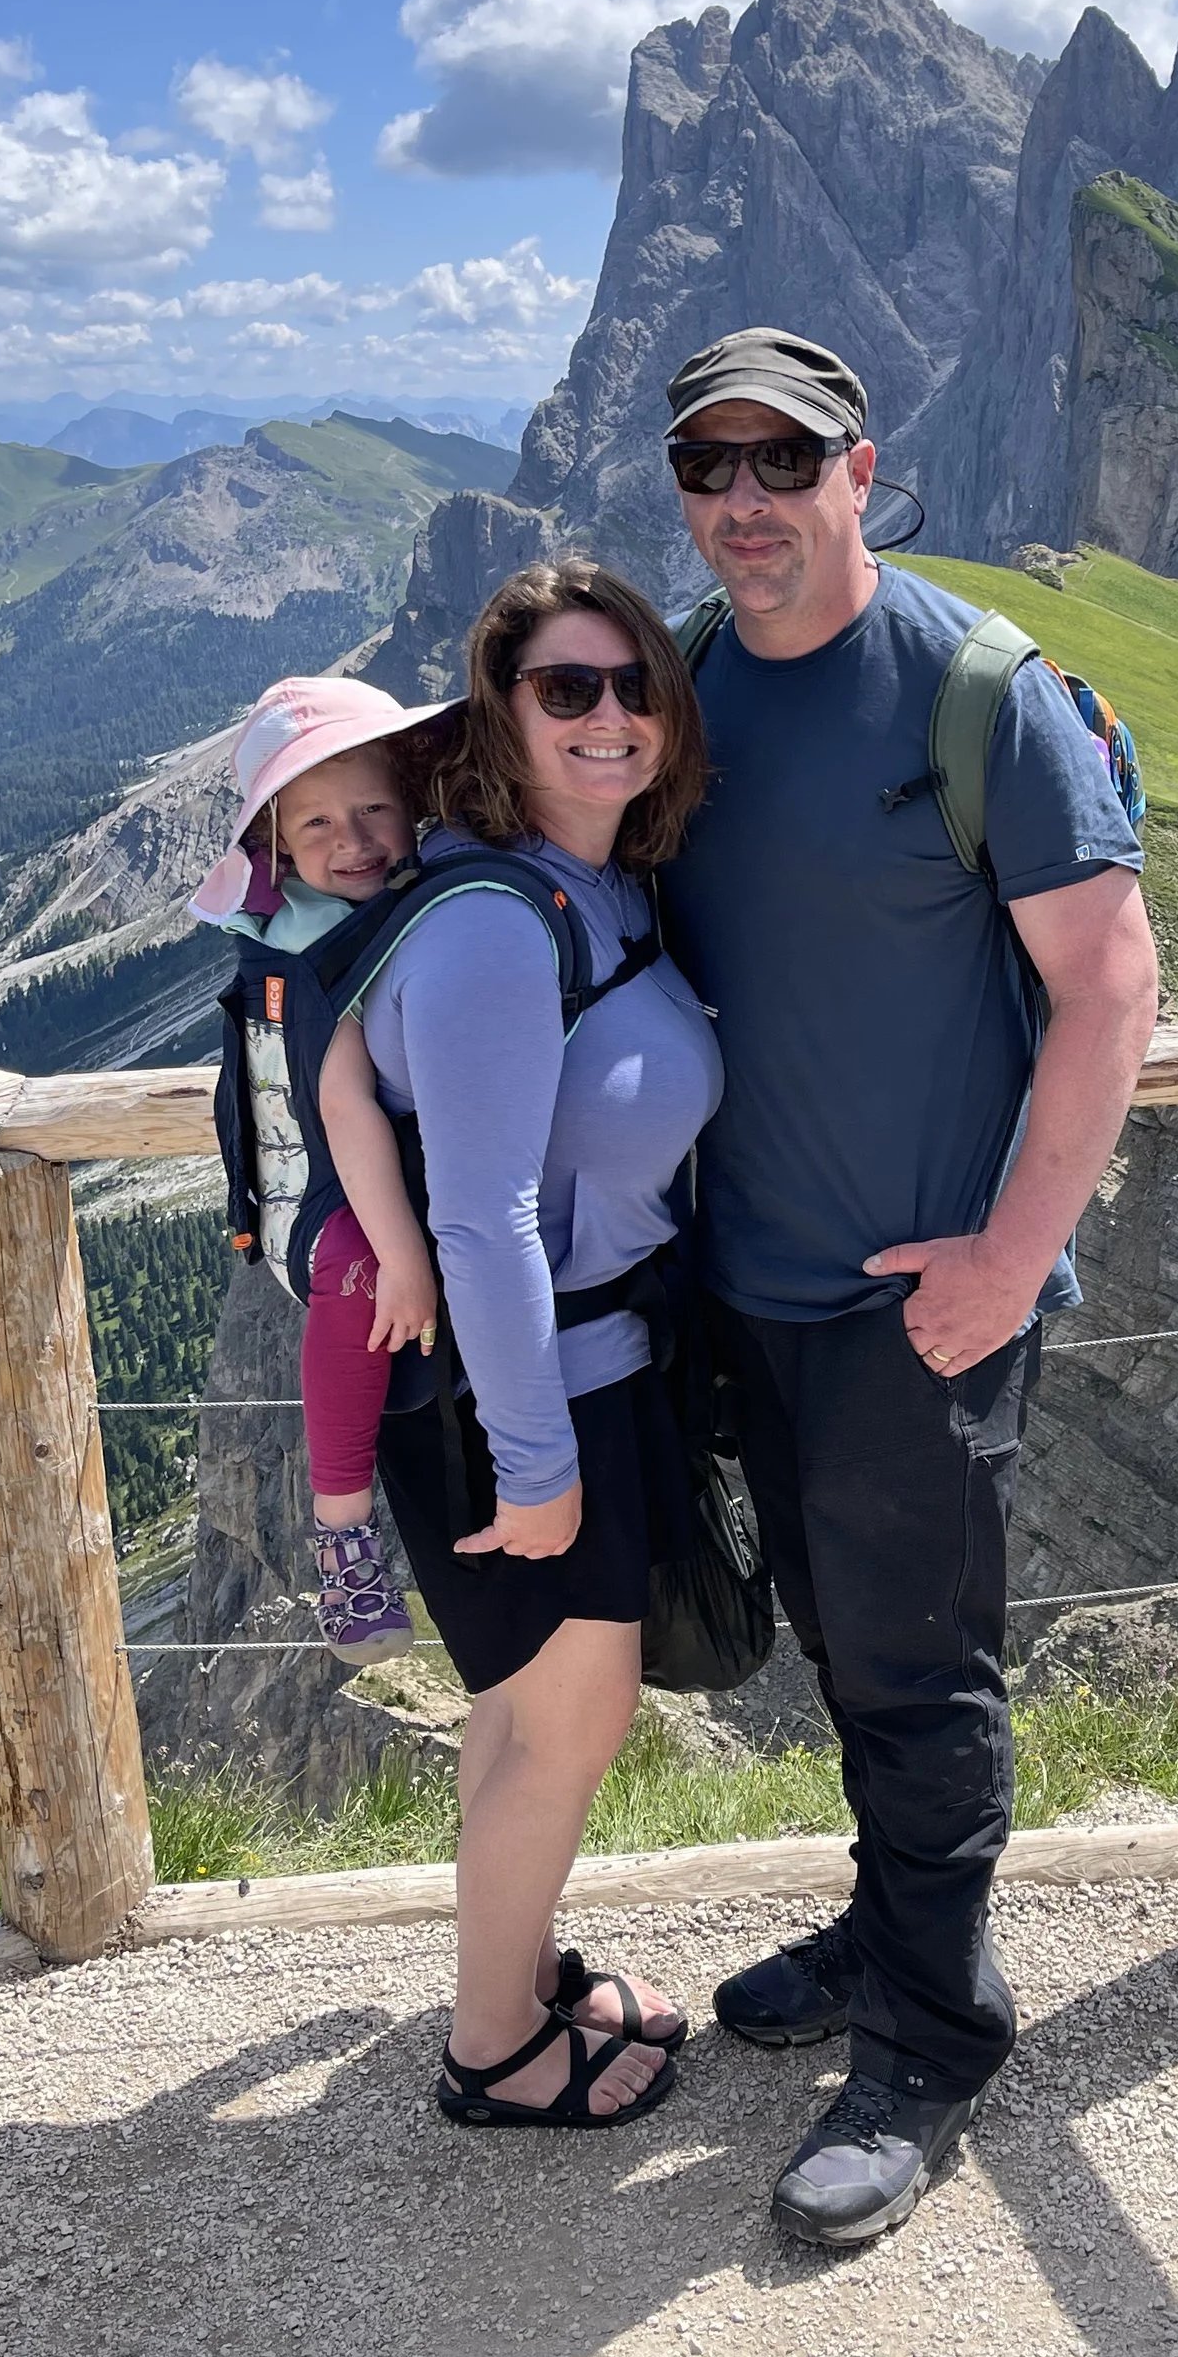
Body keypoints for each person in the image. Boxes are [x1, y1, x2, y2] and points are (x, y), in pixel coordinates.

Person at [660, 325, 1161, 2246]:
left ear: (862, 469)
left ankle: (938, 2033)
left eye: (784, 463)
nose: (746, 503)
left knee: (918, 1660)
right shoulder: (694, 682)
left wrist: (1012, 1262)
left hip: (918, 1306)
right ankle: (889, 1933)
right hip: (753, 1288)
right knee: (838, 1634)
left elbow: (1113, 988)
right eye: (711, 468)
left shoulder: (978, 692)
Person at [360, 560, 723, 2129]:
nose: (609, 716)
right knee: (570, 1723)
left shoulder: (596, 885)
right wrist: (537, 1464)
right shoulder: (500, 926)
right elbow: (484, 1220)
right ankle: (496, 2053)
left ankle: (511, 1971)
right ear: (499, 715)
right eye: (564, 689)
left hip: (581, 1371)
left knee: (520, 1714)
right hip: (531, 1396)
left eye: (633, 685)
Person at [191, 679, 451, 1667]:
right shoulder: (318, 946)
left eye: (375, 809)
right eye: (319, 824)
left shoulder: (329, 915)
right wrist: (404, 1259)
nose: (356, 839)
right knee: (362, 1278)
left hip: (330, 1174)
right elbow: (343, 1105)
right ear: (277, 850)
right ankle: (342, 1532)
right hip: (329, 1207)